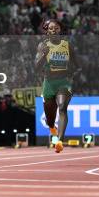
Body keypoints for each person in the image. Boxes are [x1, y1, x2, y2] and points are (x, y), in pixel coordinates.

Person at [35, 19, 78, 153]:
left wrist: (72, 74)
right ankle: (53, 130)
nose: (54, 30)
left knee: (62, 107)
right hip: (49, 84)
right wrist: (44, 55)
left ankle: (59, 141)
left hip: (64, 82)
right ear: (47, 32)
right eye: (51, 29)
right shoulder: (43, 46)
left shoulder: (67, 45)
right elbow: (36, 68)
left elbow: (77, 65)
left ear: (60, 30)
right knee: (50, 119)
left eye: (56, 28)